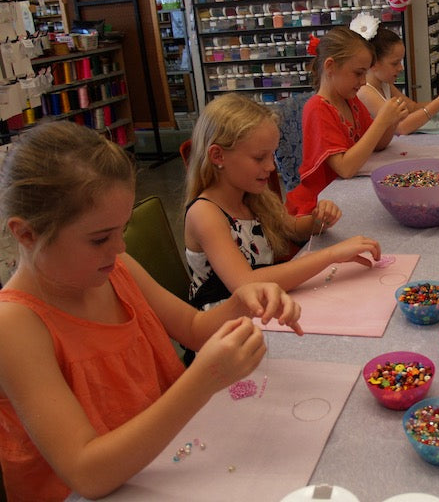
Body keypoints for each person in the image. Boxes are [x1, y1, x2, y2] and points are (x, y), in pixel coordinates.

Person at [0, 121, 303, 501]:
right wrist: (205, 377)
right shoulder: (14, 324)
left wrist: (240, 302)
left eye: (121, 229)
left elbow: (193, 327)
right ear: (26, 234)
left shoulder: (116, 269)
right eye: (100, 238)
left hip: (158, 463)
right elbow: (86, 473)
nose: (120, 247)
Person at [184, 93, 382, 311]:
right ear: (218, 156)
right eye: (260, 158)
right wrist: (331, 255)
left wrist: (317, 221)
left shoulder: (251, 197)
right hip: (226, 327)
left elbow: (293, 229)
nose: (271, 167)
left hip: (263, 309)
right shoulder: (205, 213)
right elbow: (246, 284)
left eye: (272, 155)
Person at [286, 19, 410, 216]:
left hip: (344, 194)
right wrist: (382, 121)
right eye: (358, 73)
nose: (363, 82)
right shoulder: (318, 108)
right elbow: (345, 168)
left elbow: (378, 145)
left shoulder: (350, 101)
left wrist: (390, 121)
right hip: (320, 204)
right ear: (330, 66)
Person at [358, 25, 439, 135]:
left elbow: (412, 107)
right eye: (395, 63)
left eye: (401, 62)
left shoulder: (384, 84)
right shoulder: (365, 91)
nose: (401, 68)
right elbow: (400, 128)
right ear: (373, 63)